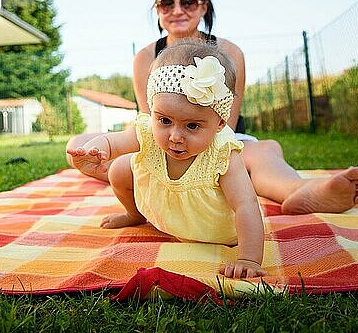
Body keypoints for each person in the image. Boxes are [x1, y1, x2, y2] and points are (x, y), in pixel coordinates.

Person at [66, 0, 358, 215]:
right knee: (80, 144)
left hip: (220, 137)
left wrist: (201, 155)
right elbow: (151, 120)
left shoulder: (228, 51)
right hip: (168, 141)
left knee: (261, 152)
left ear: (203, 7)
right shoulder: (145, 57)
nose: (178, 10)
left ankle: (302, 192)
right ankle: (155, 180)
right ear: (157, 10)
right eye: (167, 4)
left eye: (188, 2)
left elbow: (227, 124)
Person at [68, 41, 266, 279]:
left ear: (220, 123)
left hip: (214, 232)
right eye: (164, 121)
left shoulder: (223, 153)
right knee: (120, 168)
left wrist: (248, 258)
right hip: (164, 214)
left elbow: (246, 205)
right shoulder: (148, 132)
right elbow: (112, 142)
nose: (175, 136)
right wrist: (94, 151)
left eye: (192, 125)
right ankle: (135, 214)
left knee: (125, 165)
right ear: (153, 111)